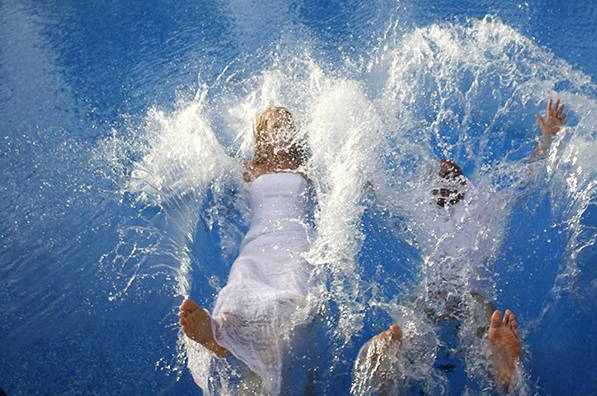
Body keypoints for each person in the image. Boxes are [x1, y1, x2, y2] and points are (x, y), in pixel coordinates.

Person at [354, 98, 568, 393]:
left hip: (469, 292)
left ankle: (502, 366)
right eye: (439, 173)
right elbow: (377, 195)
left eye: (453, 171)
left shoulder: (487, 201)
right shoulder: (421, 210)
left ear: (467, 184)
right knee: (413, 326)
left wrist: (547, 138)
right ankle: (389, 362)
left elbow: (528, 177)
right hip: (438, 293)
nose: (446, 170)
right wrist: (355, 166)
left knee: (480, 320)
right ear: (429, 189)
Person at [179, 105, 312, 394]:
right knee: (240, 290)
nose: (279, 130)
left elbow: (348, 182)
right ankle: (218, 337)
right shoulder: (249, 169)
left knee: (289, 300)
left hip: (293, 246)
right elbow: (213, 175)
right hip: (257, 246)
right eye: (273, 125)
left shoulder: (307, 169)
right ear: (262, 134)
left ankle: (247, 354)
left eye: (285, 124)